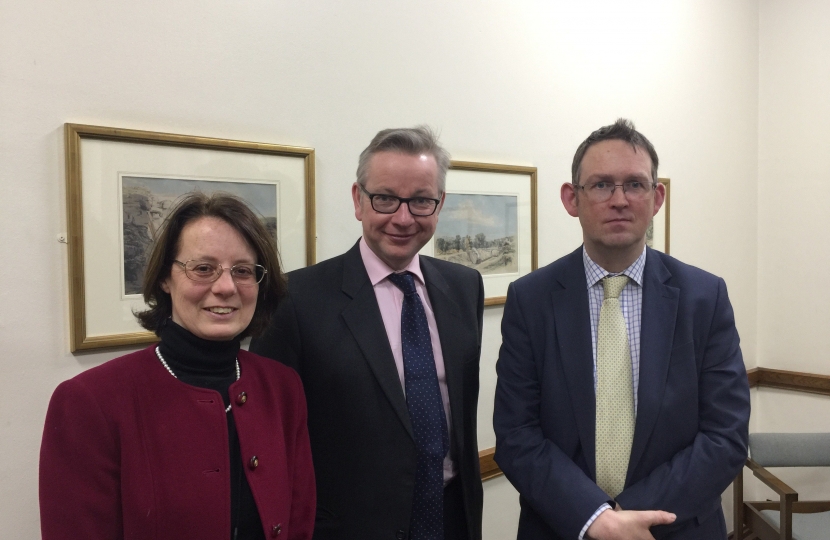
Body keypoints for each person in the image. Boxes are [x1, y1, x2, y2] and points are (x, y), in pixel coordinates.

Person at [493, 119, 750, 540]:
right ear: (571, 199)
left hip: (677, 528)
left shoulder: (705, 297)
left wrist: (623, 516)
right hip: (563, 527)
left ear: (657, 197)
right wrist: (593, 518)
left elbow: (725, 435)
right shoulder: (531, 299)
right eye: (600, 185)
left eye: (634, 184)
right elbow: (517, 434)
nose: (619, 200)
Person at [250, 126, 484, 540]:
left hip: (452, 519)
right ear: (358, 200)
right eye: (385, 198)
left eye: (421, 201)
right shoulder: (296, 300)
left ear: (439, 204)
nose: (403, 217)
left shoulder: (464, 287)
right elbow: (269, 441)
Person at [40, 192, 316, 540]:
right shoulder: (89, 402)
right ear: (165, 279)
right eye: (203, 268)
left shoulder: (281, 387)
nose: (226, 287)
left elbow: (300, 521)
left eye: (243, 271)